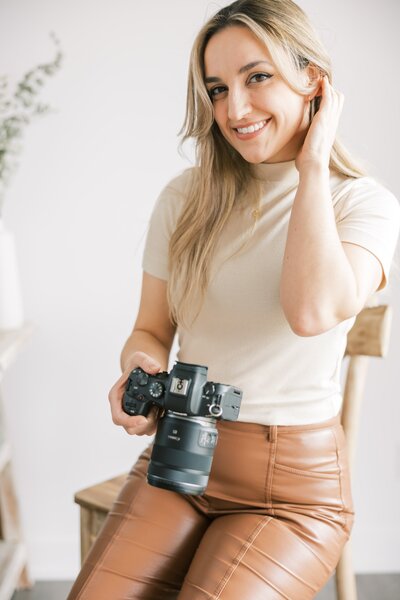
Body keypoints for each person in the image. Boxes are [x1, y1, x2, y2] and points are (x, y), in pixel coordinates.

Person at [67, 0, 400, 598]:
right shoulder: (187, 198)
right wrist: (140, 371)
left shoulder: (364, 205)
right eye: (217, 89)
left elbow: (313, 311)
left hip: (291, 494)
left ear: (313, 83)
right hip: (178, 461)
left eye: (257, 77)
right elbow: (149, 331)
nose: (235, 109)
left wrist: (314, 165)